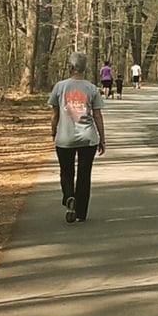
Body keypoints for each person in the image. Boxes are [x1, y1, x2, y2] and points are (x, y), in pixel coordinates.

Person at [49, 51, 106, 223]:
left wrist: (53, 132)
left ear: (71, 67)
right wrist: (102, 139)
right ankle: (81, 212)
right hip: (88, 138)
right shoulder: (92, 88)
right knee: (84, 174)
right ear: (84, 68)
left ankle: (68, 197)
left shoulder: (60, 87)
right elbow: (97, 115)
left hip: (65, 138)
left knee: (66, 172)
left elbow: (55, 114)